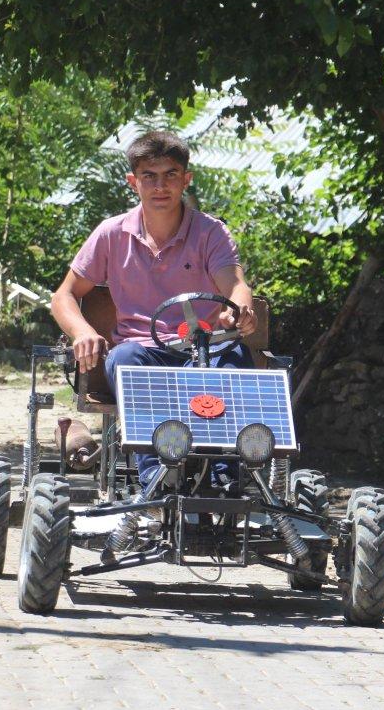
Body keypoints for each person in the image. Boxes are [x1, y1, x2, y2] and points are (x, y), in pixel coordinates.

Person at [50, 130, 258, 489]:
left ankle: (224, 477)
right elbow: (63, 295)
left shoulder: (211, 233)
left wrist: (239, 309)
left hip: (202, 351)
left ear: (186, 179)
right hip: (143, 354)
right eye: (149, 176)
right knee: (126, 358)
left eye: (170, 175)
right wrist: (83, 331)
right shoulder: (111, 233)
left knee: (233, 356)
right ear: (133, 182)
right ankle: (156, 479)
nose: (160, 186)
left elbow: (235, 284)